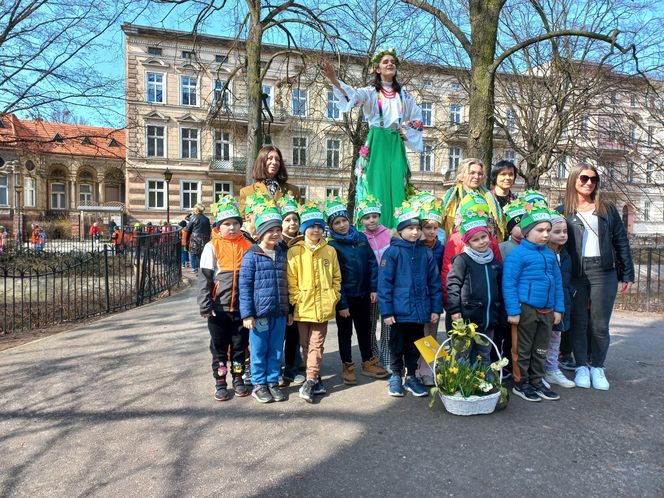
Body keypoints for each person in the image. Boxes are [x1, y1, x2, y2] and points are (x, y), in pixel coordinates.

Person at [322, 49, 423, 228]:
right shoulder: (370, 92)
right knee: (376, 187)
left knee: (398, 185)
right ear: (377, 68)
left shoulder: (404, 95)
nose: (390, 64)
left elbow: (417, 117)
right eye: (385, 62)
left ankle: (398, 231)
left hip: (395, 143)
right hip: (377, 142)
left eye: (392, 61)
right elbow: (352, 95)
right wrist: (334, 79)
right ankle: (374, 231)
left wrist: (406, 131)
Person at [563, 164, 634, 390]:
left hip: (603, 270)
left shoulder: (607, 209)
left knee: (600, 324)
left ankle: (598, 367)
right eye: (584, 178)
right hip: (576, 272)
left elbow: (620, 241)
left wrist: (627, 274)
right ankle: (581, 365)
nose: (588, 183)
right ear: (574, 179)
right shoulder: (563, 210)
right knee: (579, 322)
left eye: (593, 179)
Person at [378, 198, 442, 397]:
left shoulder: (426, 253)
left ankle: (412, 376)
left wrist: (435, 309)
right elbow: (384, 284)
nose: (414, 232)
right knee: (397, 344)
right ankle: (396, 375)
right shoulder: (393, 252)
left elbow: (434, 283)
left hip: (420, 310)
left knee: (415, 344)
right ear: (401, 230)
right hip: (398, 312)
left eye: (417, 228)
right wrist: (386, 311)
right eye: (410, 228)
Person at [502, 201, 564, 402]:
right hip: (526, 309)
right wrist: (513, 310)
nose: (546, 234)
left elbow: (557, 283)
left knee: (541, 349)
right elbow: (509, 283)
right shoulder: (517, 255)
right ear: (527, 232)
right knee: (522, 349)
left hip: (547, 310)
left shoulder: (550, 254)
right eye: (540, 230)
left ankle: (537, 381)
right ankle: (522, 383)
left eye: (548, 230)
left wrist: (558, 309)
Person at [325, 196, 388, 385]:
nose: (342, 225)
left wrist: (373, 288)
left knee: (365, 329)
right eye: (337, 223)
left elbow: (372, 263)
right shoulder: (332, 245)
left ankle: (368, 363)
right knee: (345, 333)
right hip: (345, 299)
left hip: (363, 295)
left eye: (344, 220)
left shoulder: (360, 238)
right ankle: (347, 366)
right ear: (331, 226)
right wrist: (342, 303)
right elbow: (334, 277)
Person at [198, 195, 253, 401]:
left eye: (235, 223)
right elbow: (205, 279)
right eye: (227, 224)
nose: (232, 228)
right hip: (218, 309)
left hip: (241, 308)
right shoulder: (211, 247)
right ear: (219, 227)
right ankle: (220, 381)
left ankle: (238, 378)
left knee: (239, 348)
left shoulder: (247, 245)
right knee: (219, 348)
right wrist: (205, 305)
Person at [287, 200, 341, 403]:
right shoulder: (295, 251)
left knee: (316, 344)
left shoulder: (330, 251)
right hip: (303, 306)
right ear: (304, 229)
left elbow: (336, 277)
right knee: (305, 343)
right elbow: (291, 279)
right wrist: (297, 298)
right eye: (312, 226)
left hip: (323, 306)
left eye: (319, 226)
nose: (316, 230)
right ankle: (315, 376)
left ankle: (310, 380)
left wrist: (333, 295)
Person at [239, 198, 291, 403]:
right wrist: (248, 314)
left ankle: (272, 381)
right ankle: (259, 383)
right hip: (259, 314)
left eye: (278, 229)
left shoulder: (281, 253)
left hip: (279, 312)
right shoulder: (251, 255)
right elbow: (245, 287)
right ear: (261, 232)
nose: (276, 234)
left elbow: (287, 284)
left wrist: (288, 311)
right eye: (271, 230)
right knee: (259, 350)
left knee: (276, 348)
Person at [446, 208, 503, 364]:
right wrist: (455, 310)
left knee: (484, 352)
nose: (481, 242)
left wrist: (499, 310)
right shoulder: (462, 260)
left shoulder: (495, 263)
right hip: (467, 317)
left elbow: (499, 289)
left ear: (489, 236)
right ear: (468, 242)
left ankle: (483, 380)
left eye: (484, 236)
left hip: (488, 317)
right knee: (463, 352)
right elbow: (453, 285)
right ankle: (463, 383)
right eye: (475, 240)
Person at [441, 191, 502, 331]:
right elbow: (449, 272)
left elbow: (497, 266)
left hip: (486, 308)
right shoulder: (456, 239)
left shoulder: (490, 238)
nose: (481, 242)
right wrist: (450, 303)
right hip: (464, 307)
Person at [356, 194, 392, 370]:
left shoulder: (389, 235)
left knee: (387, 323)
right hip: (370, 289)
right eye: (367, 217)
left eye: (374, 216)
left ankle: (387, 355)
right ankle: (374, 354)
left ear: (379, 216)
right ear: (361, 220)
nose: (371, 220)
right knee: (370, 323)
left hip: (387, 288)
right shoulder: (360, 238)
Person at [543, 210, 576, 389]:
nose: (562, 235)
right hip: (546, 304)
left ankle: (552, 368)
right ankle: (540, 370)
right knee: (542, 340)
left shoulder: (564, 254)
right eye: (557, 232)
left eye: (565, 231)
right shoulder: (544, 254)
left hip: (562, 303)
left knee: (556, 338)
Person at [415, 194, 444, 386]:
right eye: (427, 228)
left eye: (435, 228)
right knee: (416, 333)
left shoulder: (440, 248)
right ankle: (414, 366)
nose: (432, 232)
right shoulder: (413, 247)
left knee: (431, 332)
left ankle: (428, 367)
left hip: (433, 295)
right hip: (415, 296)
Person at [276, 193, 305, 385]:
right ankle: (276, 368)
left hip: (298, 294)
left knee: (294, 333)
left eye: (295, 219)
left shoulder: (304, 242)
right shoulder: (276, 243)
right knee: (278, 335)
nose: (292, 223)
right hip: (279, 293)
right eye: (287, 220)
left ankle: (292, 367)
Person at [441, 158, 505, 240]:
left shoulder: (489, 197)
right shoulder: (451, 197)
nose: (477, 176)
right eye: (472, 173)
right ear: (462, 175)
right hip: (458, 245)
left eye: (480, 173)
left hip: (485, 244)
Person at [239, 146, 300, 217]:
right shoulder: (247, 192)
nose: (274, 162)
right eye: (270, 158)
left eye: (277, 159)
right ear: (261, 161)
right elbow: (244, 221)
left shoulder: (293, 190)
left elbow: (299, 218)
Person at [187, 203, 211, 273]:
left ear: (196, 209)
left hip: (195, 238)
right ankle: (201, 268)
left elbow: (188, 229)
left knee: (193, 254)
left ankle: (194, 268)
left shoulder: (193, 217)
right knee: (202, 254)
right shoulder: (206, 219)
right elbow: (209, 230)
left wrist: (187, 240)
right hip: (205, 238)